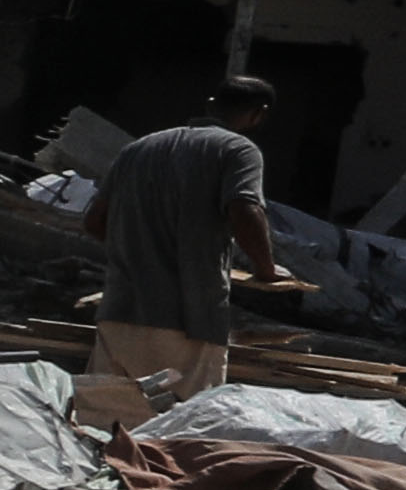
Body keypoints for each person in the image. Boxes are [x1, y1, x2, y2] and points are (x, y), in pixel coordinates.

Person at [76, 74, 287, 433]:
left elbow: (95, 221)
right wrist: (266, 269)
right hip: (188, 318)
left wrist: (135, 250)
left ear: (210, 104)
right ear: (259, 115)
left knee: (102, 426)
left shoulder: (138, 149)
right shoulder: (238, 150)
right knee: (180, 431)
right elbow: (244, 208)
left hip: (119, 312)